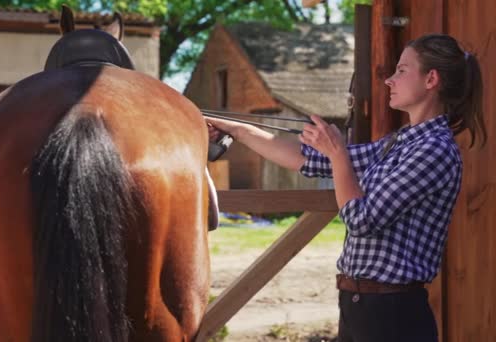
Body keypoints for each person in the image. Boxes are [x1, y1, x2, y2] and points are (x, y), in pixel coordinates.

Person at [205, 33, 485, 342]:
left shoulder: (434, 150)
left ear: (431, 79)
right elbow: (305, 157)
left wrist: (337, 153)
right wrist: (232, 127)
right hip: (360, 307)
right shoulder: (400, 143)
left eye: (402, 70)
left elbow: (361, 220)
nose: (390, 80)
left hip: (391, 316)